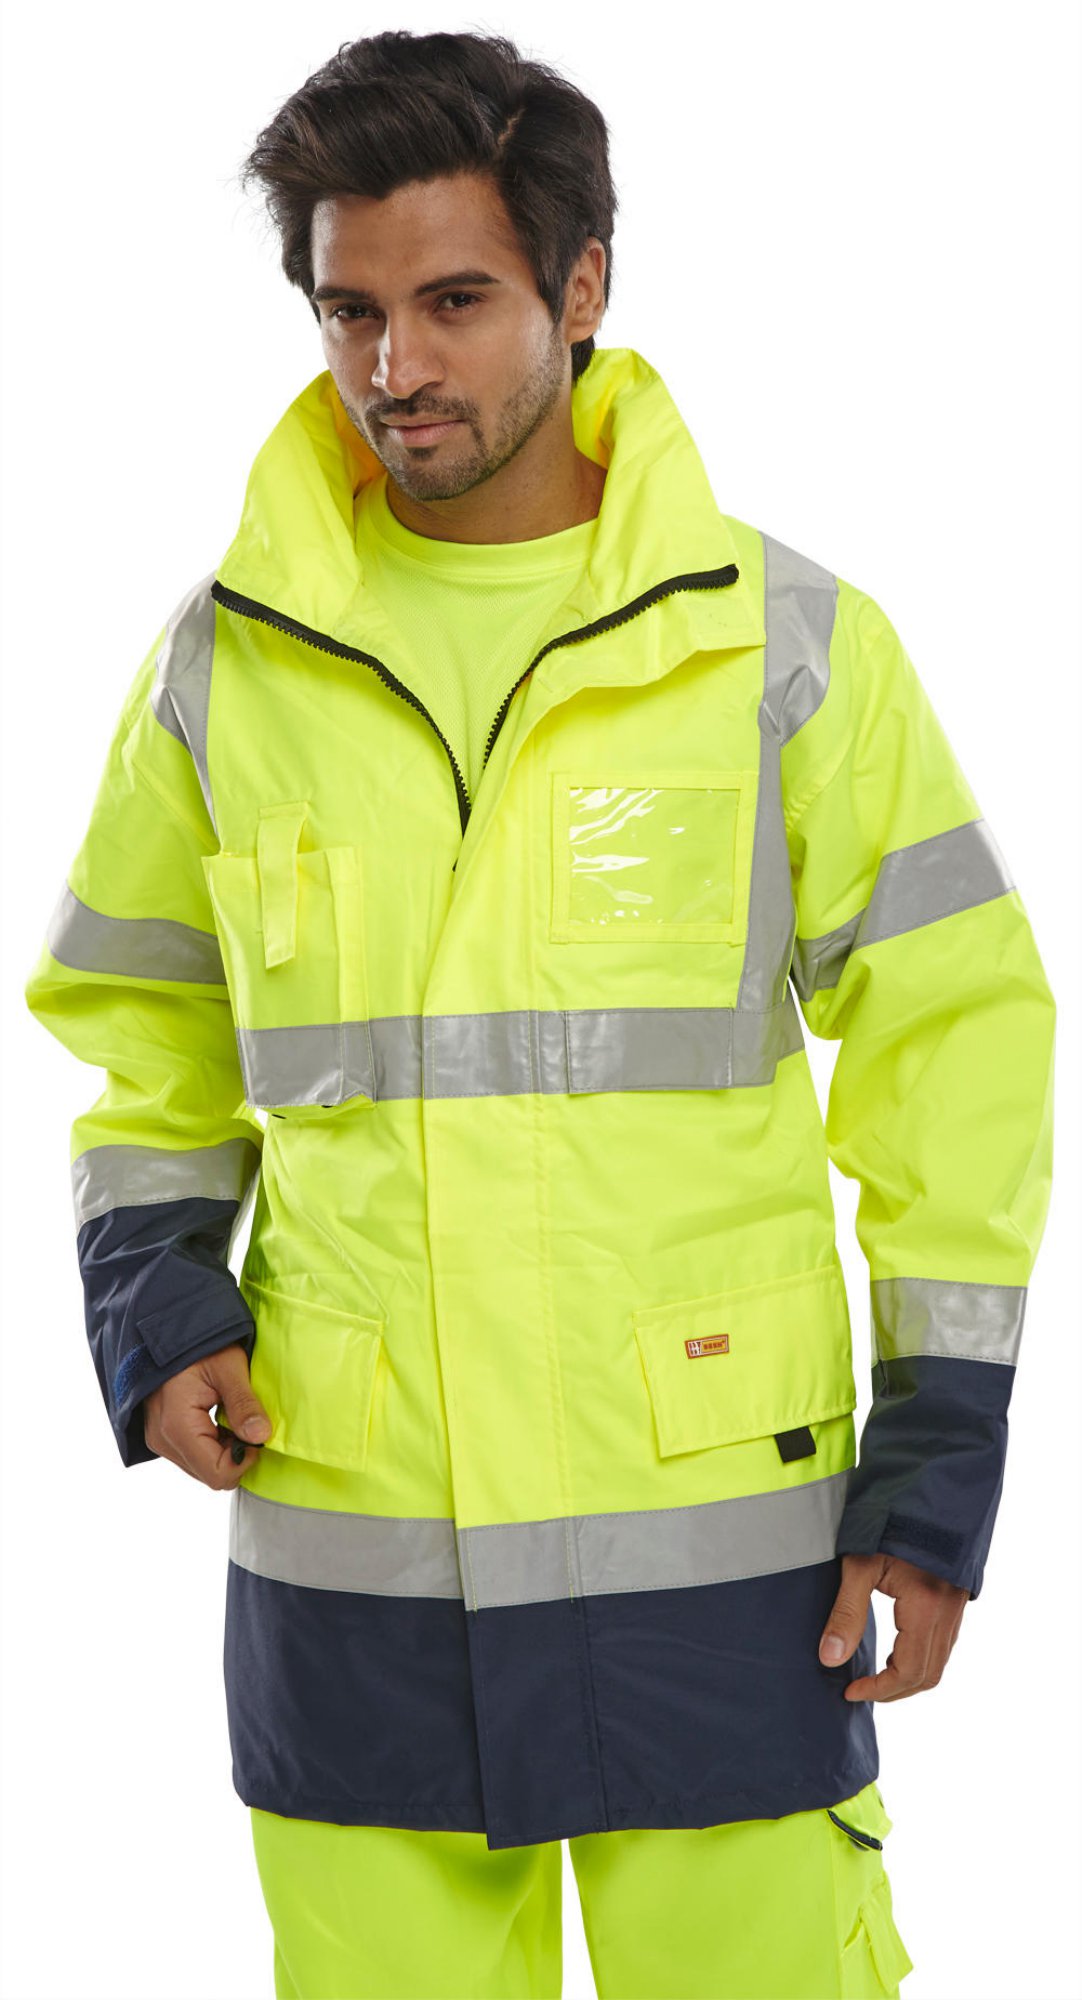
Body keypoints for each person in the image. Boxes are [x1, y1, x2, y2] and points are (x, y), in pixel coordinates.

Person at [23, 26, 1056, 2000]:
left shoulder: (777, 652)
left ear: (582, 290)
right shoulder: (225, 674)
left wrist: (933, 1475)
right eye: (349, 309)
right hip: (362, 1553)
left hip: (720, 1561)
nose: (391, 366)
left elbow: (959, 1045)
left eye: (453, 302)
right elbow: (145, 1027)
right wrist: (159, 1305)